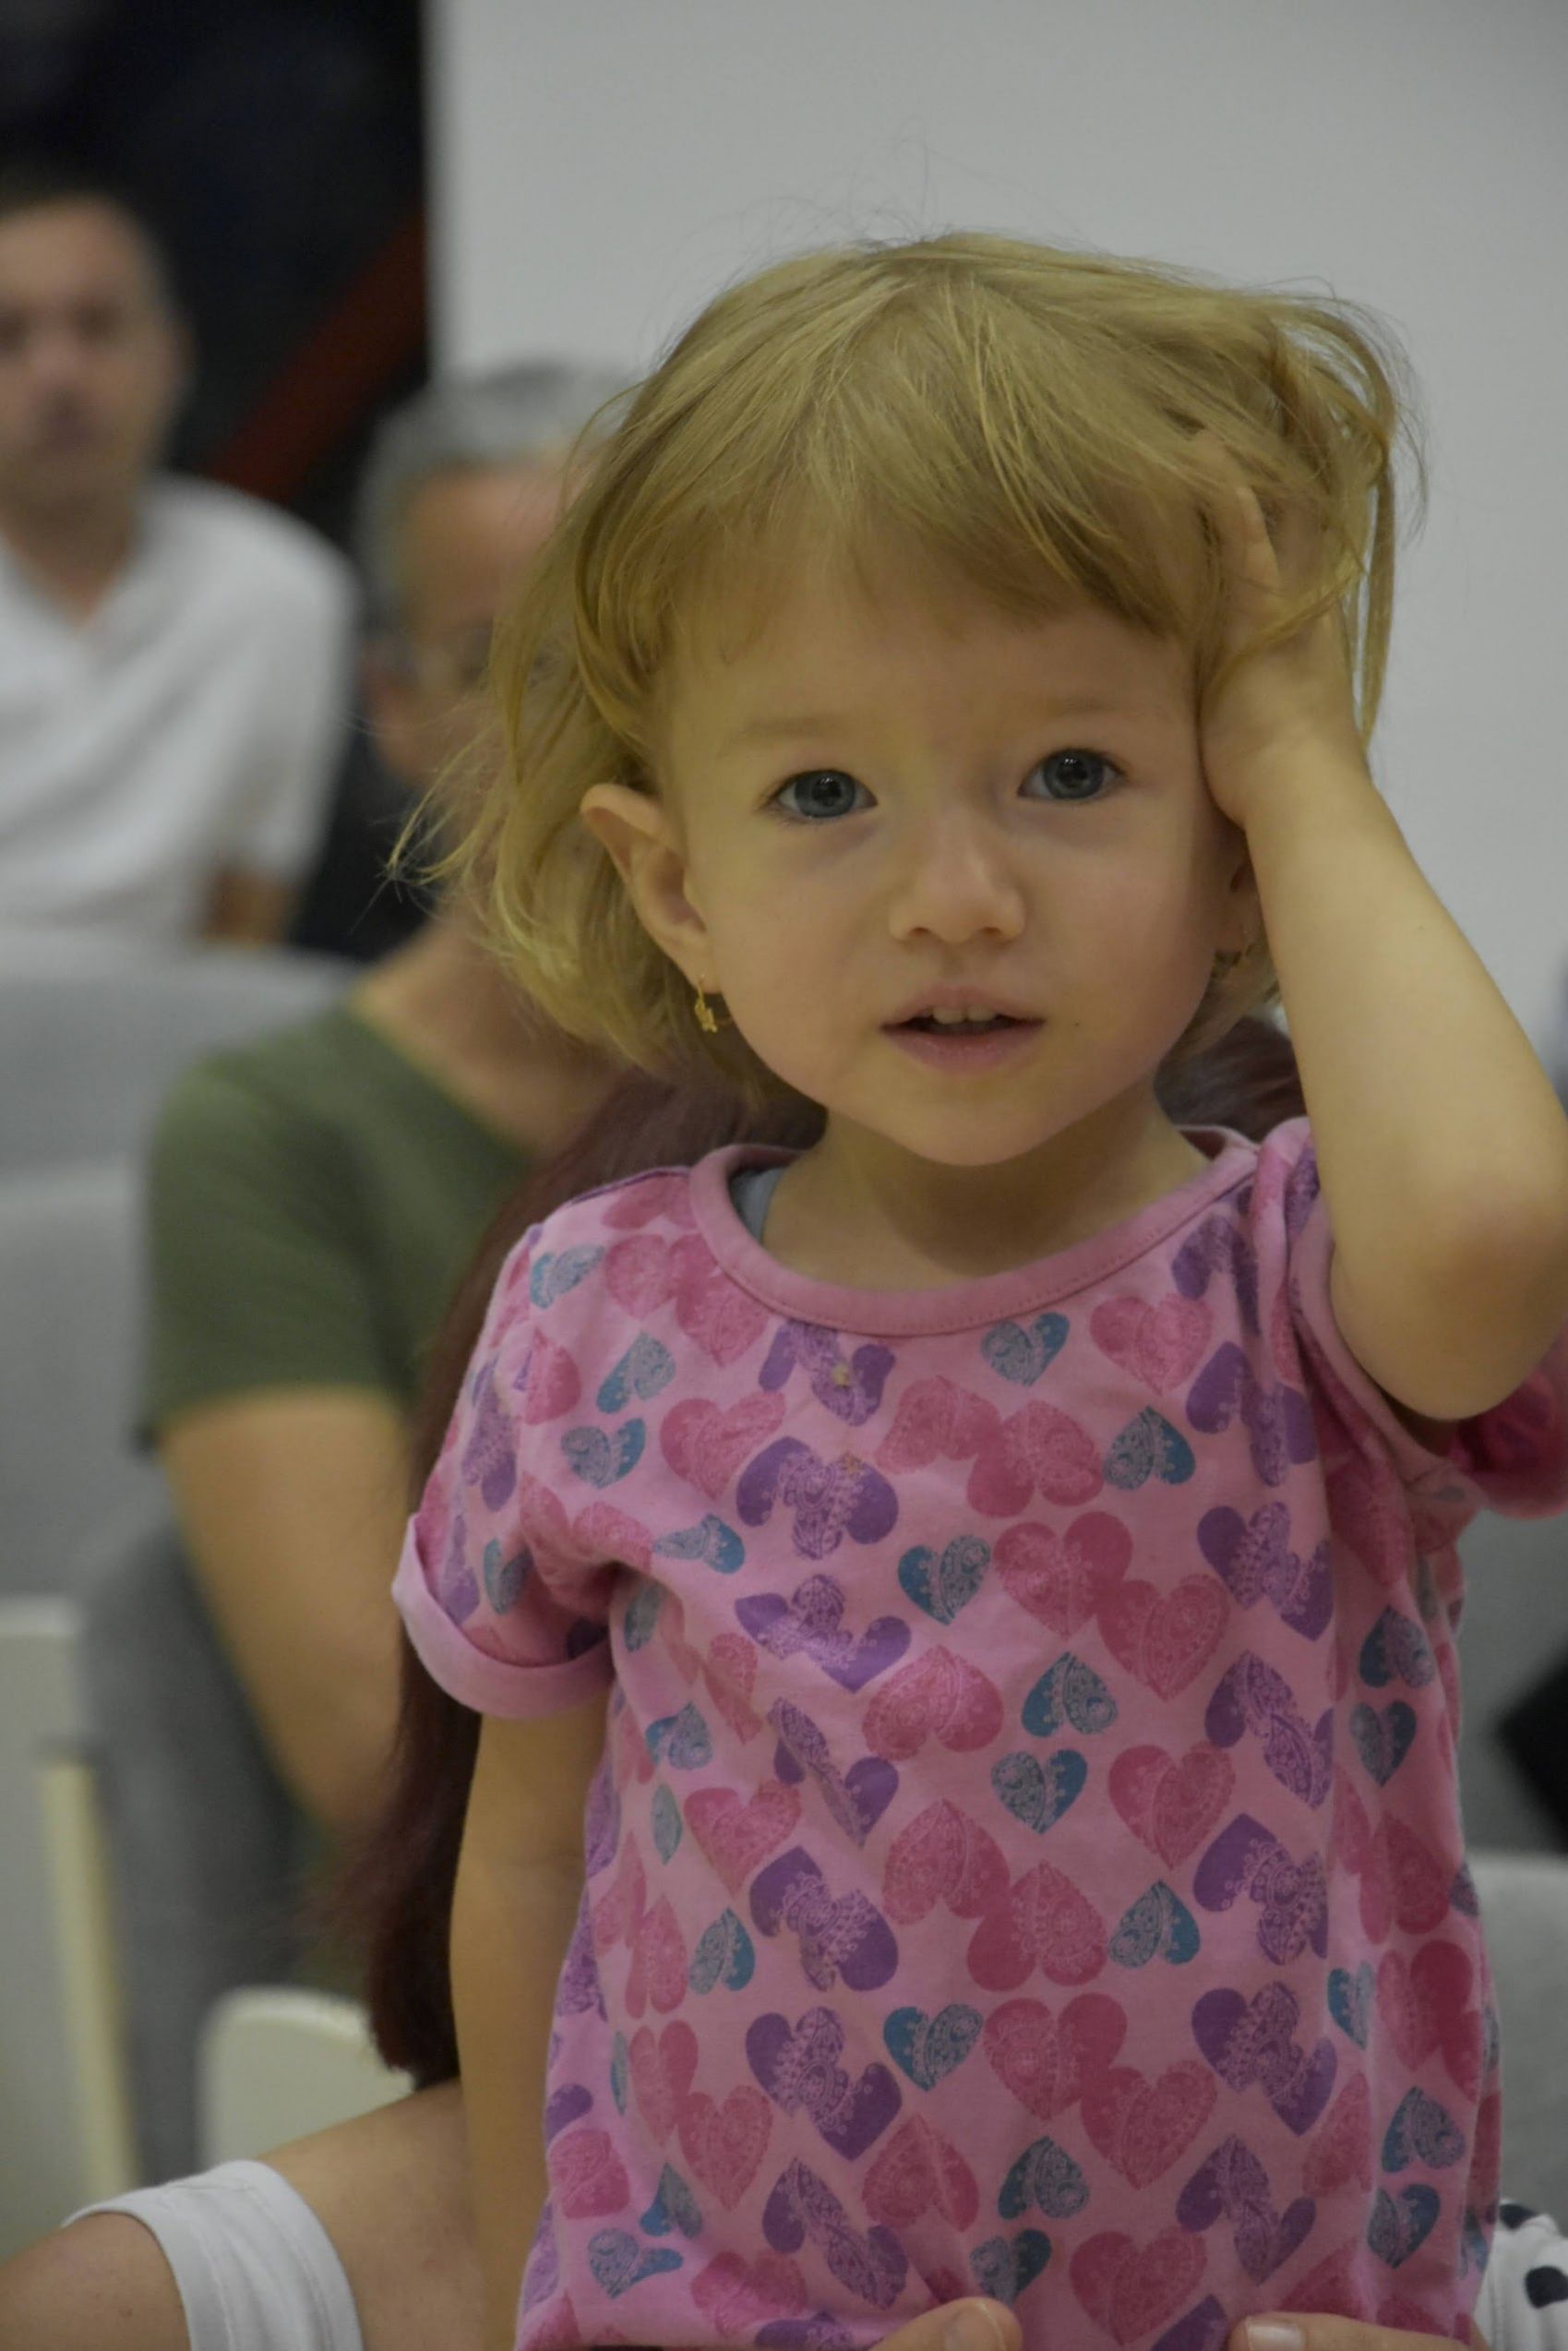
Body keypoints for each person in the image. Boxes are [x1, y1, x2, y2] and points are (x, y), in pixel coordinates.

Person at [379, 230, 1568, 2351]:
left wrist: (1295, 748)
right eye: (822, 792)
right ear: (677, 886)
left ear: (1230, 846)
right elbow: (526, 1861)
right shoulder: (593, 1309)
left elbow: (1490, 1235)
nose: (954, 897)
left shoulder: (1303, 1275)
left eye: (1071, 774)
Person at [144, 361, 630, 1841]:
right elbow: (371, 1746)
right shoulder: (269, 1136)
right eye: (502, 662)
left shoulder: (844, 1074)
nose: (581, 725)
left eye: (631, 651)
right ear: (393, 705)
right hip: (483, 1939)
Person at [0, 157, 355, 945]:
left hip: (182, 1018)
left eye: (97, 326)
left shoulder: (279, 593)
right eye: (7, 335)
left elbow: (246, 924)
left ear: (174, 355)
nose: (58, 375)